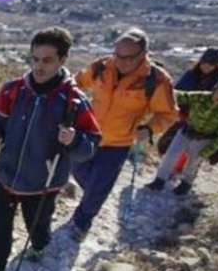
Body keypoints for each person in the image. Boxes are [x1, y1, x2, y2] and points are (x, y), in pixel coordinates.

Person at [0, 27, 101, 271]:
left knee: (37, 223)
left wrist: (75, 140)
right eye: (35, 59)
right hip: (6, 175)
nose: (39, 66)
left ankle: (39, 245)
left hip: (43, 182)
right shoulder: (13, 90)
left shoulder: (74, 101)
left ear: (62, 60)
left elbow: (90, 146)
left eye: (47, 60)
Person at [70, 27, 178, 239]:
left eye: (128, 57)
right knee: (80, 173)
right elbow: (77, 82)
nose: (121, 61)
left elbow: (168, 114)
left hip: (117, 144)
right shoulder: (102, 66)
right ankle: (91, 197)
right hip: (87, 135)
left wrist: (149, 129)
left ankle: (82, 221)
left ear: (143, 54)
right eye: (117, 55)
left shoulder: (156, 80)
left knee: (99, 186)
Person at [145, 75, 218, 195]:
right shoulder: (201, 97)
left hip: (204, 139)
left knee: (193, 163)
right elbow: (180, 95)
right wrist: (161, 89)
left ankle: (186, 184)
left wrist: (208, 151)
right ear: (215, 89)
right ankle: (159, 180)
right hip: (185, 132)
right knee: (170, 156)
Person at [162, 47, 218, 174]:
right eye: (204, 63)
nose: (207, 66)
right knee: (171, 143)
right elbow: (178, 92)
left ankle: (183, 173)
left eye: (211, 64)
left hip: (206, 119)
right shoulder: (191, 74)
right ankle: (172, 169)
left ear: (217, 65)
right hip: (184, 115)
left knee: (194, 148)